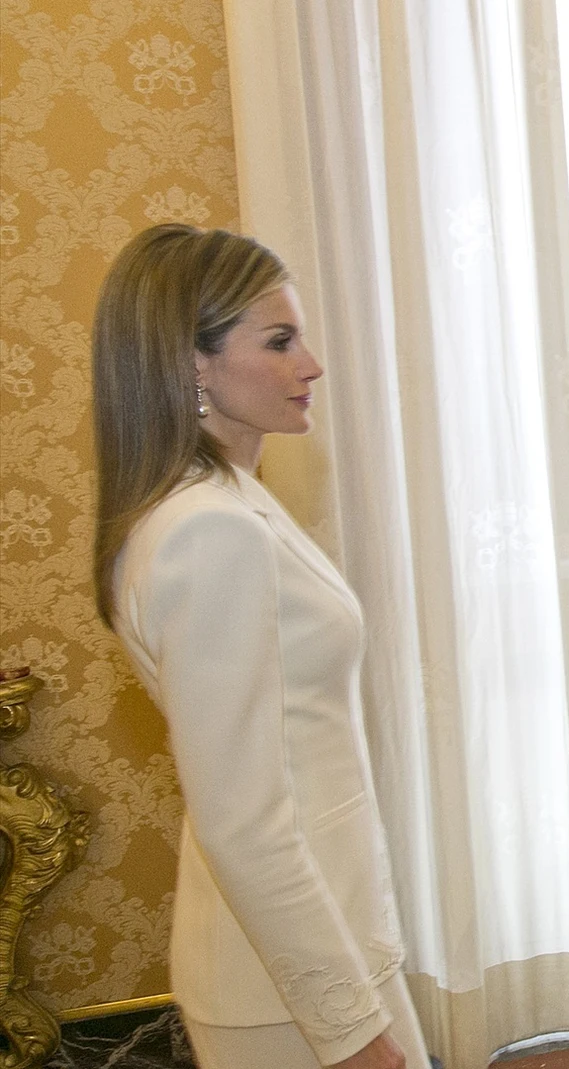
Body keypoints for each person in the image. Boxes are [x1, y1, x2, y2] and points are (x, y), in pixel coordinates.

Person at [92, 225, 428, 1069]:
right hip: (290, 993)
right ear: (194, 363)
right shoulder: (209, 530)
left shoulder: (221, 497)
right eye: (279, 341)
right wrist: (352, 1033)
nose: (310, 363)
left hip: (315, 946)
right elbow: (243, 823)